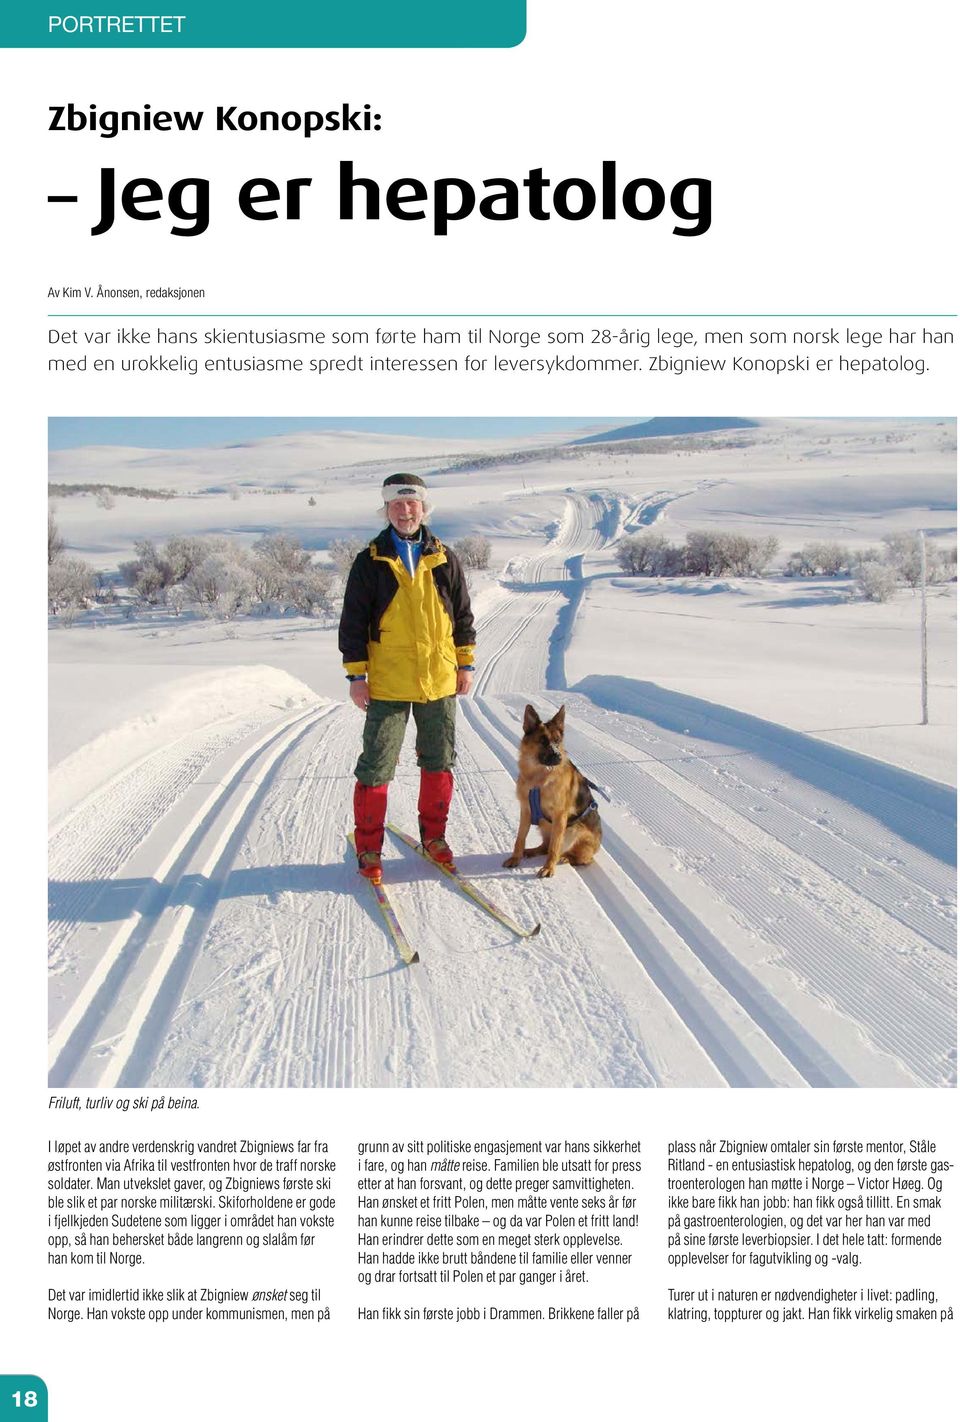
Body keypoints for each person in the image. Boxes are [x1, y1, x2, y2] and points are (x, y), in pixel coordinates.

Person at [339, 472, 476, 883]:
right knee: (377, 765)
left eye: (411, 503)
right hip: (388, 682)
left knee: (438, 761)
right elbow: (353, 622)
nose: (405, 511)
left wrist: (464, 664)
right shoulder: (370, 560)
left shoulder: (444, 557)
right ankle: (368, 847)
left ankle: (434, 839)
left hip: (438, 680)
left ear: (423, 507)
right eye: (396, 505)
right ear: (386, 509)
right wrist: (356, 675)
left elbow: (463, 616)